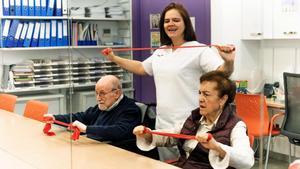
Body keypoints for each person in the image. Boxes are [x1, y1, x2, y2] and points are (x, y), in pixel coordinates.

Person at [102, 2, 235, 160]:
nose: (171, 24)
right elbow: (141, 68)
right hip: (163, 124)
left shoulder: (199, 50)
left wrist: (229, 62)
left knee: (190, 164)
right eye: (166, 21)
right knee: (166, 164)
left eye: (176, 20)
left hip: (190, 124)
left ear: (186, 23)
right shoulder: (161, 52)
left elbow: (222, 73)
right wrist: (114, 58)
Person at [133, 71, 254, 169]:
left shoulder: (236, 125)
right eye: (200, 93)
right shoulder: (195, 117)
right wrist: (148, 134)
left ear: (222, 99)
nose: (200, 99)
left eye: (206, 94)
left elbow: (247, 161)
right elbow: (172, 135)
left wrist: (216, 147)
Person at [44, 75, 141, 143]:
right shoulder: (103, 106)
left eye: (102, 93)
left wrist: (87, 129)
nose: (98, 98)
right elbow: (81, 117)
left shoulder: (130, 109)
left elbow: (118, 131)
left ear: (116, 93)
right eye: (97, 93)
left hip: (116, 153)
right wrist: (55, 118)